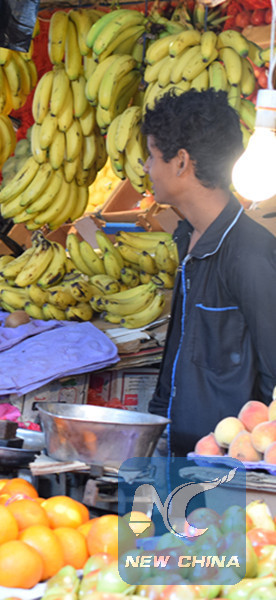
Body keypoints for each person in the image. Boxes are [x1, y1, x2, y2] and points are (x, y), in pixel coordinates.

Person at [143, 89, 276, 456]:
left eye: (152, 155)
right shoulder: (187, 237)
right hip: (175, 451)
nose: (147, 168)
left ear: (181, 162)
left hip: (225, 469)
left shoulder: (250, 255)